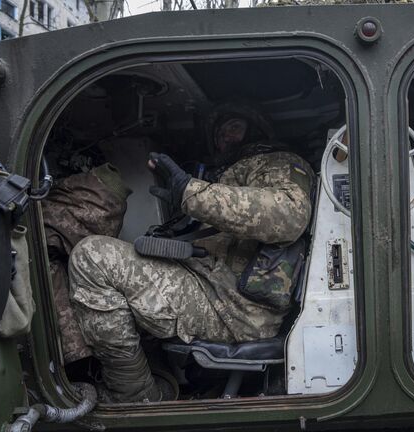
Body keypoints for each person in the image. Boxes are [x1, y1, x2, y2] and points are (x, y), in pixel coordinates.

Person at [68, 102, 314, 402]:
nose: (226, 138)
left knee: (93, 258)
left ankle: (135, 398)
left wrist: (190, 192)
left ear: (257, 129)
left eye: (234, 128)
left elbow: (289, 216)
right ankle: (157, 380)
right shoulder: (232, 172)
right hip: (215, 289)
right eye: (220, 134)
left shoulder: (279, 162)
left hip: (236, 309)